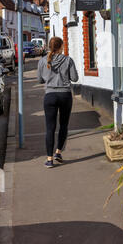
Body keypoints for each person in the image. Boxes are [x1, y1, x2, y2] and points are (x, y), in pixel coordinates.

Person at [37, 37, 78, 168]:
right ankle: (58, 152)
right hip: (65, 95)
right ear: (61, 47)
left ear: (49, 47)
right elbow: (75, 78)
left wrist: (49, 79)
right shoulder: (68, 60)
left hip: (50, 96)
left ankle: (49, 160)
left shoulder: (43, 61)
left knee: (50, 128)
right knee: (64, 125)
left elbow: (39, 80)